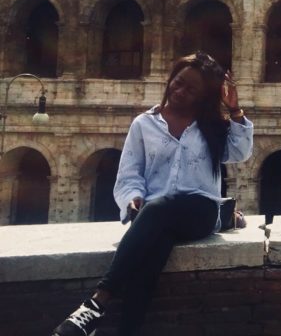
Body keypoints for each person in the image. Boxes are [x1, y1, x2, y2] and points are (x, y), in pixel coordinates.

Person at [52, 52, 254, 336]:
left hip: (200, 211)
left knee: (158, 210)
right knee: (152, 255)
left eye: (191, 89)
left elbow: (241, 153)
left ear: (203, 96)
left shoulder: (211, 125)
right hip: (154, 217)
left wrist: (235, 110)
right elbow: (130, 175)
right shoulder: (143, 124)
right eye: (178, 82)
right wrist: (133, 198)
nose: (180, 91)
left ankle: (96, 302)